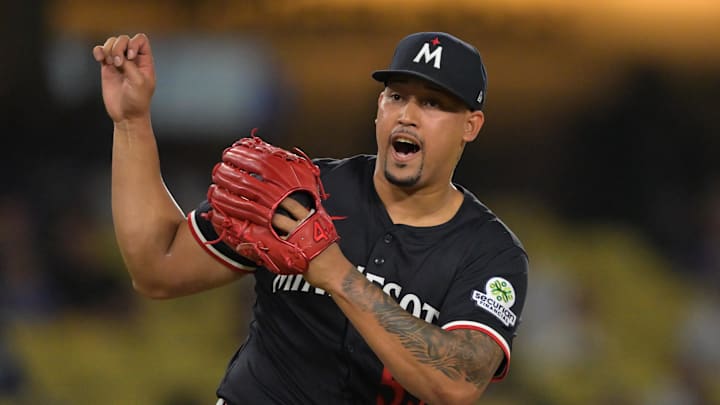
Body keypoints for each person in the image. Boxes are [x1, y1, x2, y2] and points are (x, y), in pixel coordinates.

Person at [93, 31, 529, 405]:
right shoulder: (299, 192)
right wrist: (132, 122)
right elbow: (158, 269)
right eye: (398, 96)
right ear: (380, 106)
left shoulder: (489, 253)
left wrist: (336, 273)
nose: (408, 116)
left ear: (470, 126)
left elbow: (457, 382)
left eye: (432, 104)